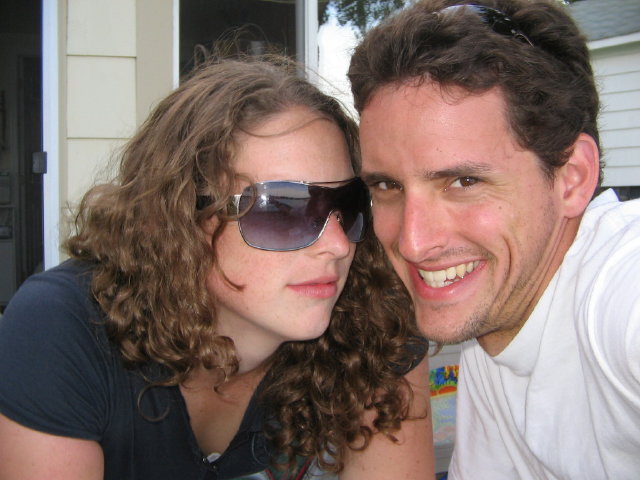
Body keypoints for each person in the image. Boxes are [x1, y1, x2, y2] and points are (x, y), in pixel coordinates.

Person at [0, 56, 434, 479]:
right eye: (283, 209)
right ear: (182, 218)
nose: (338, 245)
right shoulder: (64, 328)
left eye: (348, 204)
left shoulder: (375, 320)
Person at [348, 0, 640, 478]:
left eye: (463, 182)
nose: (413, 243)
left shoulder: (620, 292)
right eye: (387, 186)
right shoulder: (497, 329)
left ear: (572, 178)